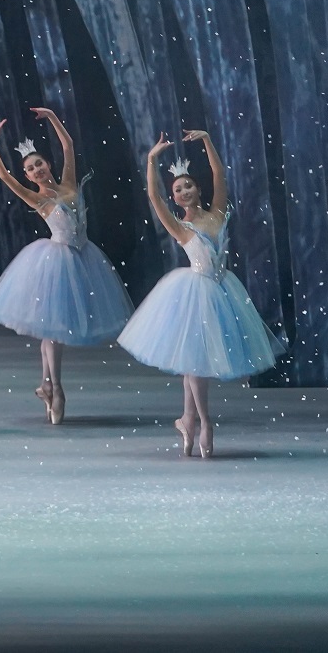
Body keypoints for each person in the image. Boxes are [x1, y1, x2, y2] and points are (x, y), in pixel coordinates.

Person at [118, 130, 285, 458]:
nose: (183, 191)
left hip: (222, 293)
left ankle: (188, 419)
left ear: (197, 189)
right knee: (195, 363)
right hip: (193, 294)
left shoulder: (217, 215)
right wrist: (151, 159)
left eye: (187, 185)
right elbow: (153, 196)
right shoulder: (180, 227)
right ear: (176, 198)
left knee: (193, 362)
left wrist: (208, 139)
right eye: (177, 189)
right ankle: (206, 422)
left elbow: (220, 174)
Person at [0, 109, 133, 423]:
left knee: (51, 332)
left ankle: (47, 385)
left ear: (47, 164)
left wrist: (51, 116)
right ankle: (56, 387)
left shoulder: (67, 183)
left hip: (84, 258)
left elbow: (67, 145)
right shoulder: (37, 199)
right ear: (28, 176)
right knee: (52, 330)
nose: (36, 169)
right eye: (30, 168)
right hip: (56, 261)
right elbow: (4, 178)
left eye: (38, 163)